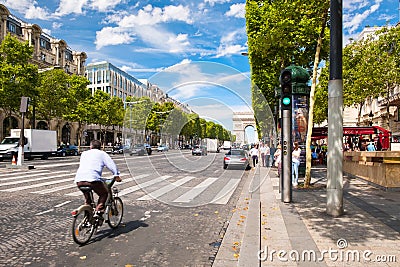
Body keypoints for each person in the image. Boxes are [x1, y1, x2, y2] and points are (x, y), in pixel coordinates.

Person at [74, 140, 122, 221]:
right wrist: (116, 175)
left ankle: (88, 218)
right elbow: (111, 165)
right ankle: (99, 212)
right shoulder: (102, 154)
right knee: (104, 194)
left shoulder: (84, 153)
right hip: (92, 179)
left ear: (90, 146)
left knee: (88, 200)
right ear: (100, 147)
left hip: (79, 180)